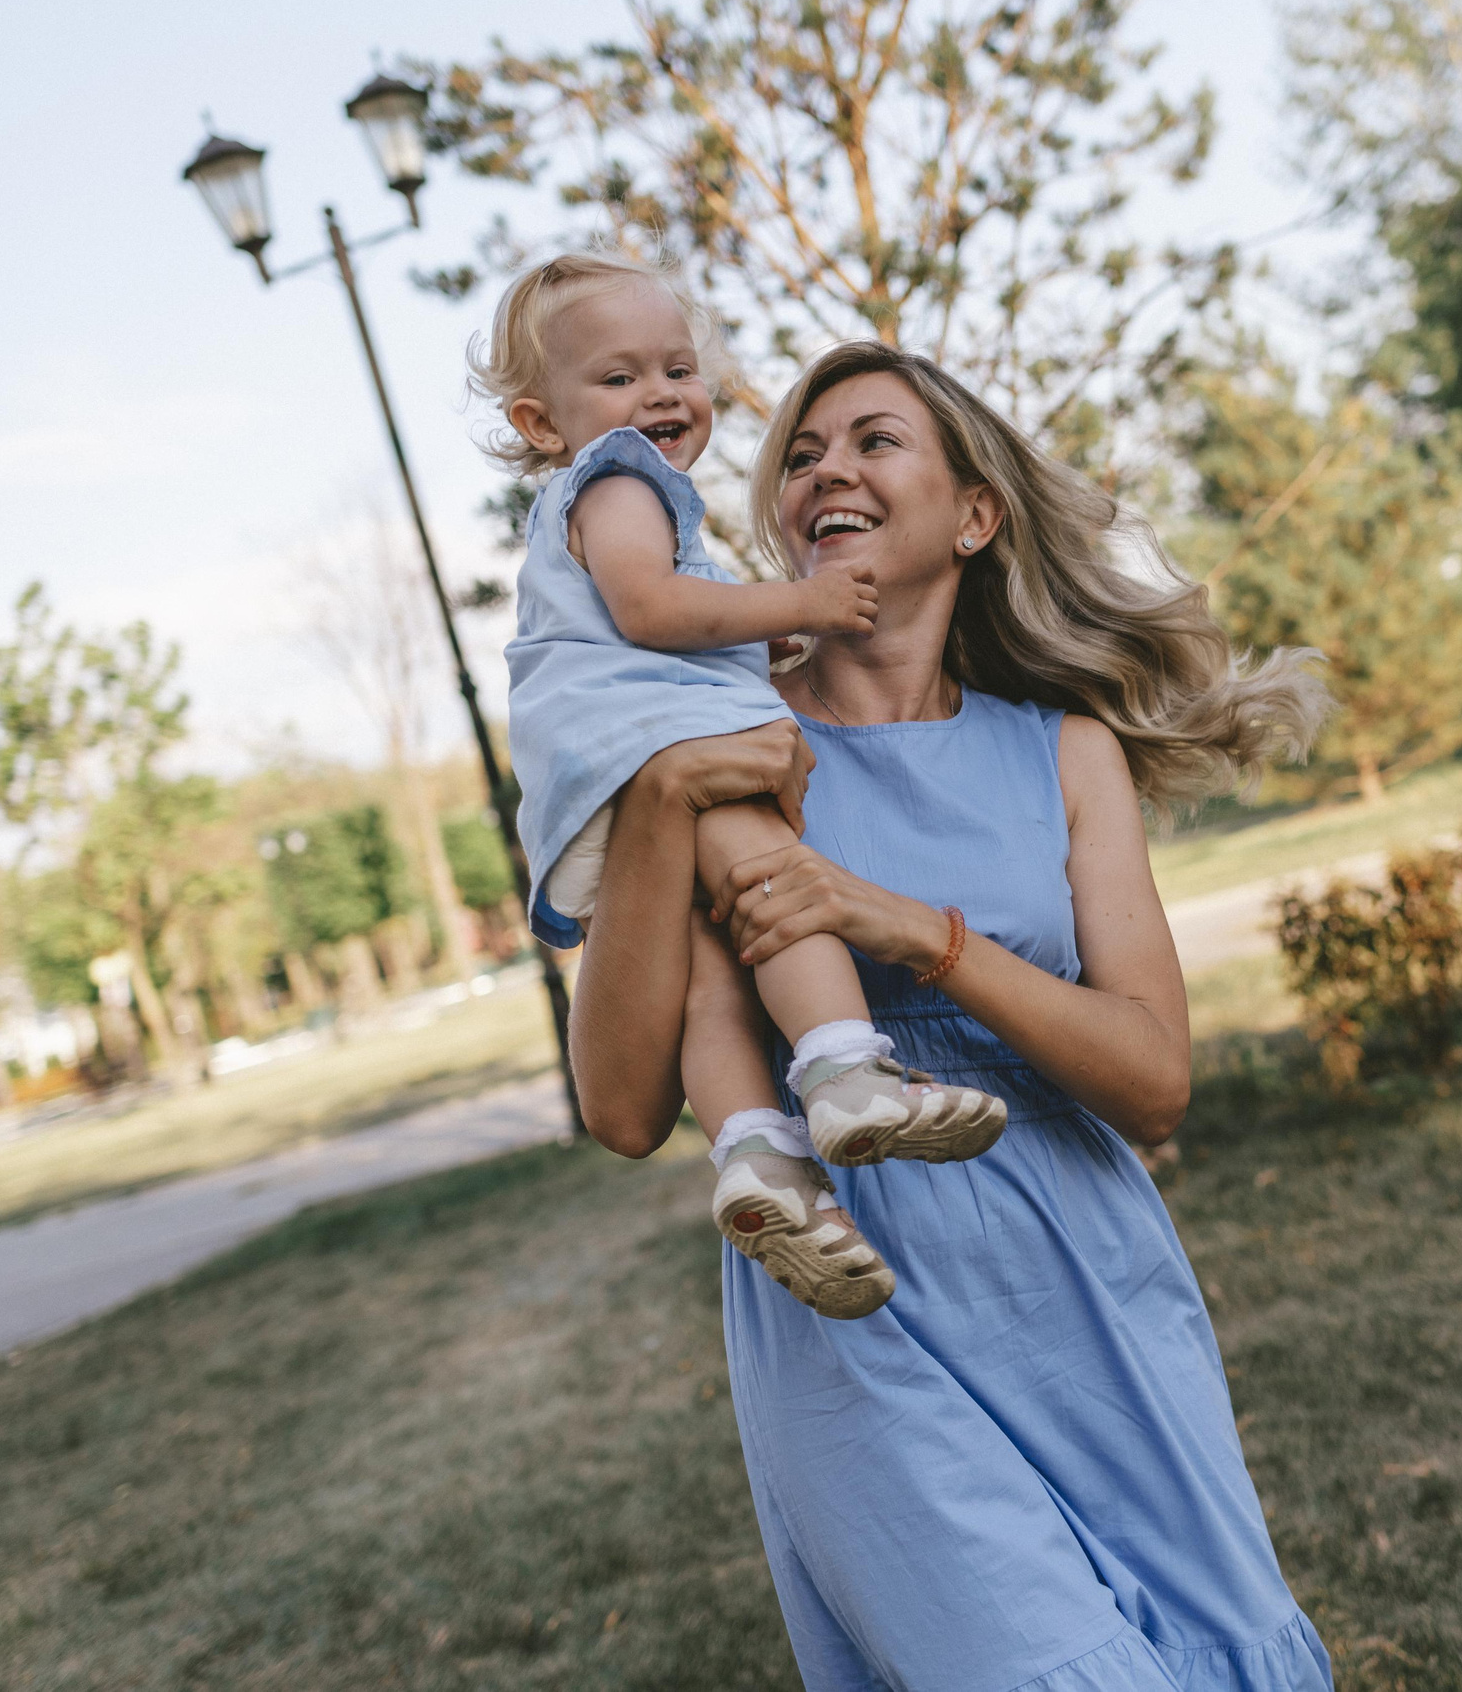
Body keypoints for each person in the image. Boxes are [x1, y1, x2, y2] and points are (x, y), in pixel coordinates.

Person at [571, 340, 1337, 1691]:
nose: (827, 470)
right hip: (850, 1301)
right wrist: (654, 798)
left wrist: (910, 929)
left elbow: (1155, 1083)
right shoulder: (714, 750)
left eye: (873, 440)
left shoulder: (1064, 749)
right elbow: (625, 1108)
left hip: (1087, 1290)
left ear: (974, 515)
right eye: (801, 454)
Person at [479, 254, 1008, 1320]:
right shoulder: (624, 479)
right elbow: (649, 611)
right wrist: (796, 604)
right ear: (543, 422)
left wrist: (752, 653)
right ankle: (845, 1070)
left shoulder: (582, 502)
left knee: (714, 974)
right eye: (620, 378)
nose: (661, 396)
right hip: (646, 754)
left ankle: (758, 1157)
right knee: (778, 885)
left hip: (605, 773)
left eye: (679, 367)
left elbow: (662, 633)